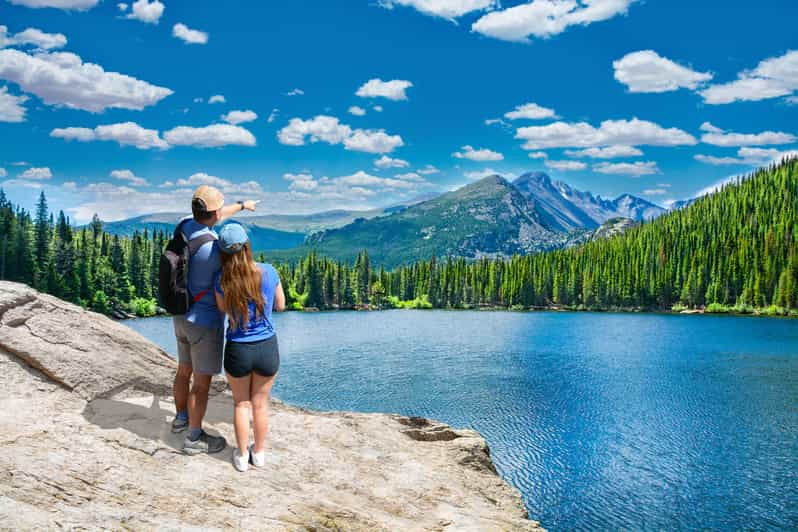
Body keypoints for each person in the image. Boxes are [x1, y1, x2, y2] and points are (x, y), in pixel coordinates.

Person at [171, 185, 258, 456]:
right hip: (205, 323)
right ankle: (194, 439)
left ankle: (181, 418)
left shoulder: (186, 227)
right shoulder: (216, 250)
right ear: (215, 212)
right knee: (201, 383)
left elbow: (216, 216)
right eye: (221, 209)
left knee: (183, 371)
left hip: (181, 314)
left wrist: (243, 205)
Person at [213, 223, 285, 472]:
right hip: (267, 347)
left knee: (241, 404)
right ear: (247, 246)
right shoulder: (268, 271)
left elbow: (222, 309)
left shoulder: (222, 279)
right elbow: (281, 305)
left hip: (237, 349)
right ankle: (260, 453)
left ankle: (242, 456)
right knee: (261, 404)